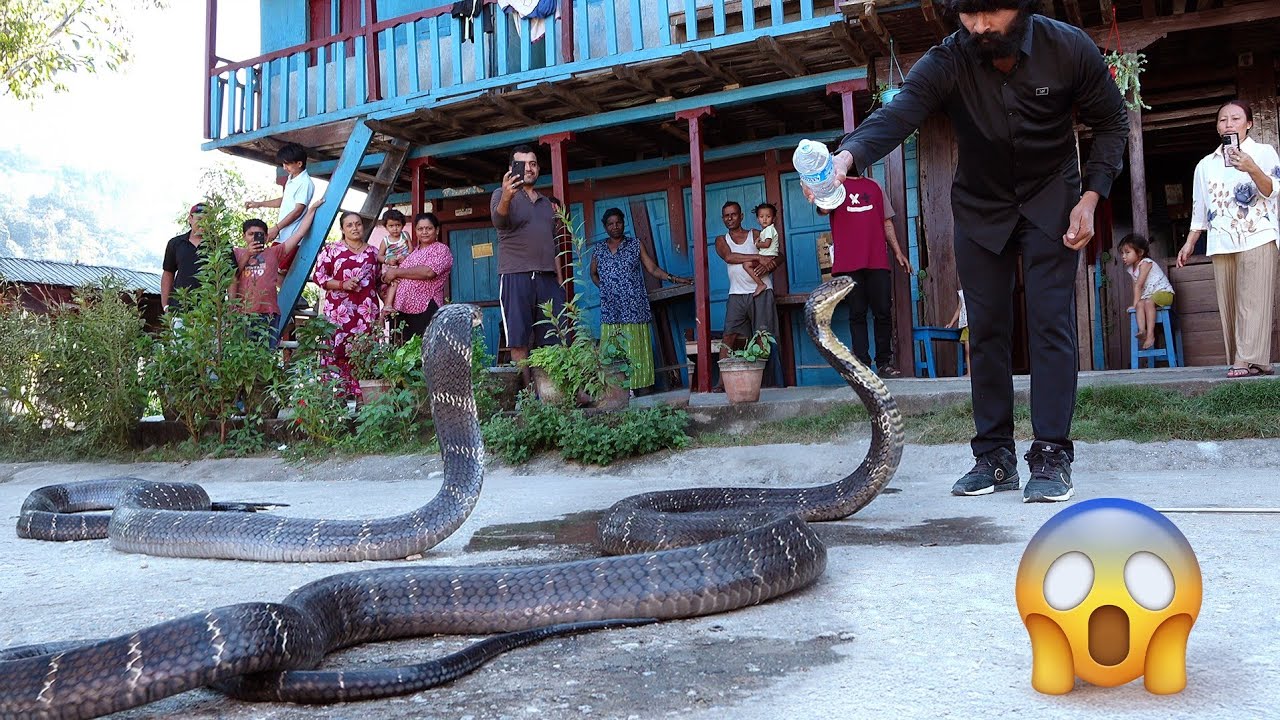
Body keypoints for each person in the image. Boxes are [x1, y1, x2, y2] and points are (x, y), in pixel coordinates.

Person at [811, 0, 1129, 503]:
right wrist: (845, 159)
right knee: (985, 330)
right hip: (982, 209)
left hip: (1053, 201)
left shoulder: (1068, 49)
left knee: (1050, 322)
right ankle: (994, 457)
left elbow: (1112, 123)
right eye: (968, 15)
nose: (980, 27)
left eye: (991, 13)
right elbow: (899, 113)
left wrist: (1091, 198)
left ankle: (1051, 454)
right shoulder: (948, 60)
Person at [1176, 99, 1278, 378]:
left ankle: (1244, 360)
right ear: (1217, 127)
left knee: (1252, 300)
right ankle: (1255, 361)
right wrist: (1190, 242)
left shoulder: (1263, 153)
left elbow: (1272, 191)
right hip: (1221, 240)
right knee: (1230, 303)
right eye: (1223, 120)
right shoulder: (1205, 165)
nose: (1229, 124)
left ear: (1249, 124)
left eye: (1235, 119)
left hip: (1258, 234)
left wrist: (1252, 168)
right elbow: (1200, 209)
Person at [816, 172, 913, 378]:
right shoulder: (835, 186)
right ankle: (862, 364)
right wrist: (826, 184)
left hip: (876, 259)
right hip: (849, 263)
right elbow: (824, 209)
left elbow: (886, 222)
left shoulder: (875, 186)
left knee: (883, 311)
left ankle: (884, 363)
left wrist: (897, 251)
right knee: (857, 312)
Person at [589, 208, 692, 395]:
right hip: (611, 310)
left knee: (637, 350)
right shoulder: (599, 249)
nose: (615, 226)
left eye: (618, 222)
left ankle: (642, 390)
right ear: (605, 227)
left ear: (624, 223)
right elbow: (593, 273)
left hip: (634, 307)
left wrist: (676, 279)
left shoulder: (635, 244)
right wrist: (605, 289)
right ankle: (616, 392)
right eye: (610, 224)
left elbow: (652, 269)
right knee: (611, 351)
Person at [491, 144, 567, 376]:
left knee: (554, 336)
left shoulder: (546, 204)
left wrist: (560, 283)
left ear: (538, 168)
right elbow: (499, 221)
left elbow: (554, 246)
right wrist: (507, 196)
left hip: (547, 278)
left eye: (532, 164)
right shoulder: (501, 195)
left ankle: (555, 390)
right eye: (522, 164)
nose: (528, 169)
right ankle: (528, 393)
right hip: (516, 275)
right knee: (519, 339)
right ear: (511, 168)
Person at [230, 201, 321, 346]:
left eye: (259, 235)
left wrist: (311, 210)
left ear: (266, 237)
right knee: (242, 355)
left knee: (266, 354)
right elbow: (232, 276)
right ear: (243, 236)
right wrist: (248, 254)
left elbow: (299, 234)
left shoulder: (274, 252)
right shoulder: (236, 253)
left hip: (269, 313)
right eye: (250, 234)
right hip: (243, 313)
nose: (254, 238)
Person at [715, 200, 784, 387]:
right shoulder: (721, 240)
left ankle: (765, 384)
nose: (730, 218)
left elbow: (779, 256)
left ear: (741, 216)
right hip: (736, 294)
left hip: (761, 292)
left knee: (763, 337)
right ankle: (722, 383)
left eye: (734, 214)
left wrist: (769, 265)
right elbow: (729, 257)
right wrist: (757, 257)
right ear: (723, 219)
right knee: (729, 337)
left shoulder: (755, 234)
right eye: (726, 216)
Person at [313, 210, 381, 397]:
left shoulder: (373, 252)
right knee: (337, 350)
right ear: (342, 229)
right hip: (339, 312)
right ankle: (337, 396)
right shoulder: (331, 250)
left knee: (365, 351)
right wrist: (342, 284)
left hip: (366, 312)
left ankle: (363, 397)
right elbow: (319, 277)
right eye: (349, 225)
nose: (355, 228)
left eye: (358, 224)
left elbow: (380, 281)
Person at [383, 212, 454, 343]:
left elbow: (429, 272)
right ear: (415, 231)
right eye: (420, 229)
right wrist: (388, 276)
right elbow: (392, 275)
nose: (424, 232)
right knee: (400, 352)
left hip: (424, 309)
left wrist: (397, 272)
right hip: (400, 310)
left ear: (437, 230)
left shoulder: (441, 250)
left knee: (423, 349)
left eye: (429, 228)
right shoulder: (412, 252)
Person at [244, 142, 316, 244]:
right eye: (283, 164)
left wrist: (276, 228)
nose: (284, 167)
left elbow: (297, 211)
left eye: (287, 164)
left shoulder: (305, 183)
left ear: (299, 164)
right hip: (282, 235)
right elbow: (284, 200)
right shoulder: (291, 178)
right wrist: (259, 204)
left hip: (292, 238)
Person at [1117, 233, 1175, 352]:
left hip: (1165, 293)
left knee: (1147, 302)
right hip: (1151, 297)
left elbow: (1139, 285)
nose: (1123, 256)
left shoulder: (1146, 263)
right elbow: (1135, 287)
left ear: (1140, 252)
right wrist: (1136, 304)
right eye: (1122, 253)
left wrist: (1134, 305)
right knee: (1140, 304)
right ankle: (1142, 330)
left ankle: (1150, 335)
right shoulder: (1131, 270)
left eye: (1127, 252)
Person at [160, 203, 209, 312]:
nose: (203, 223)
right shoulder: (175, 243)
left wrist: (229, 309)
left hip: (211, 310)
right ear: (190, 219)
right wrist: (165, 305)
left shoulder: (219, 245)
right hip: (180, 308)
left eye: (207, 220)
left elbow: (231, 277)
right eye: (199, 219)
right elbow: (168, 273)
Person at [372, 209, 412, 316]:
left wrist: (405, 256)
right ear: (386, 227)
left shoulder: (405, 235)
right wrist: (388, 260)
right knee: (394, 282)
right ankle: (388, 305)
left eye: (398, 225)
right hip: (391, 266)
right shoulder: (386, 241)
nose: (395, 228)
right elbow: (379, 256)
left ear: (403, 225)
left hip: (404, 263)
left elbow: (411, 249)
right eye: (391, 226)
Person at [751, 203, 782, 297]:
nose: (764, 219)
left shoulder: (769, 229)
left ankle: (761, 284)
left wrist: (757, 244)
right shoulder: (765, 231)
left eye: (768, 216)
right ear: (758, 219)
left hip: (768, 256)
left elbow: (767, 244)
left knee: (746, 265)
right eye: (761, 217)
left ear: (773, 219)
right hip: (767, 255)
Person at [945, 289, 970, 376]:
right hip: (966, 325)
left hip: (977, 325)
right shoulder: (962, 294)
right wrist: (951, 323)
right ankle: (969, 373)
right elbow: (959, 308)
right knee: (968, 350)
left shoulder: (978, 291)